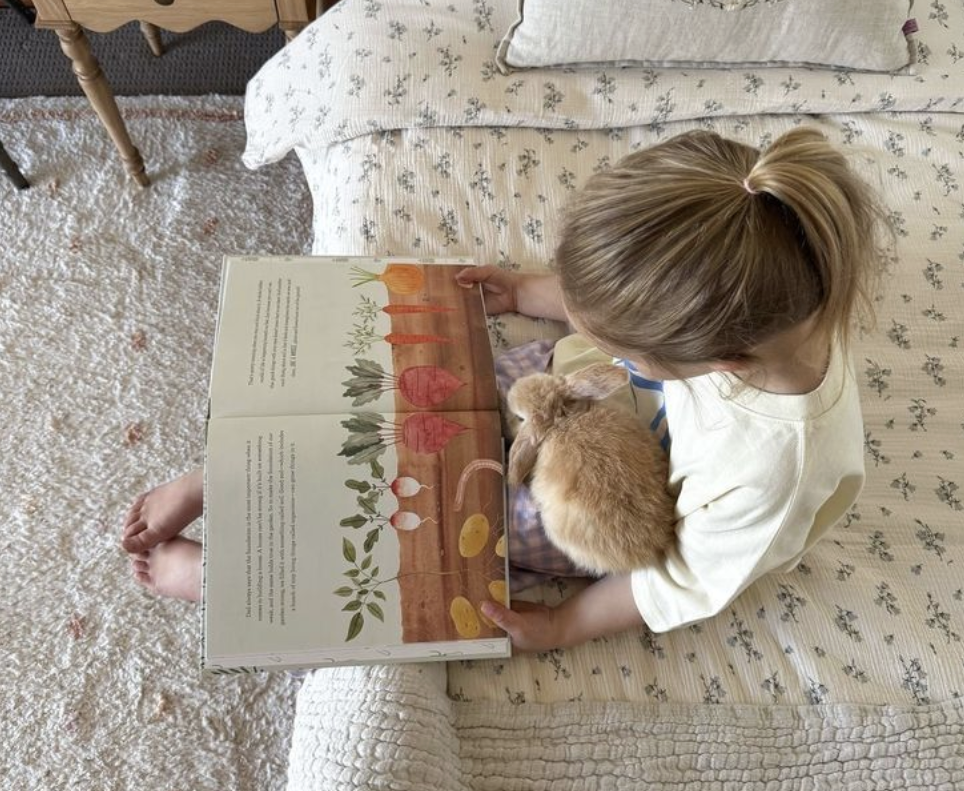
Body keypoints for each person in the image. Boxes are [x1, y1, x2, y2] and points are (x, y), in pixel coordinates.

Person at [125, 127, 884, 654]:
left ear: (723, 361)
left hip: (629, 501)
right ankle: (236, 471)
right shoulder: (773, 277)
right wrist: (526, 291)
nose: (572, 305)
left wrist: (561, 629)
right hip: (614, 398)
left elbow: (677, 586)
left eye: (615, 327)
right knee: (439, 393)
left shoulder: (776, 472)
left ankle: (244, 576)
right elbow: (624, 297)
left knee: (461, 505)